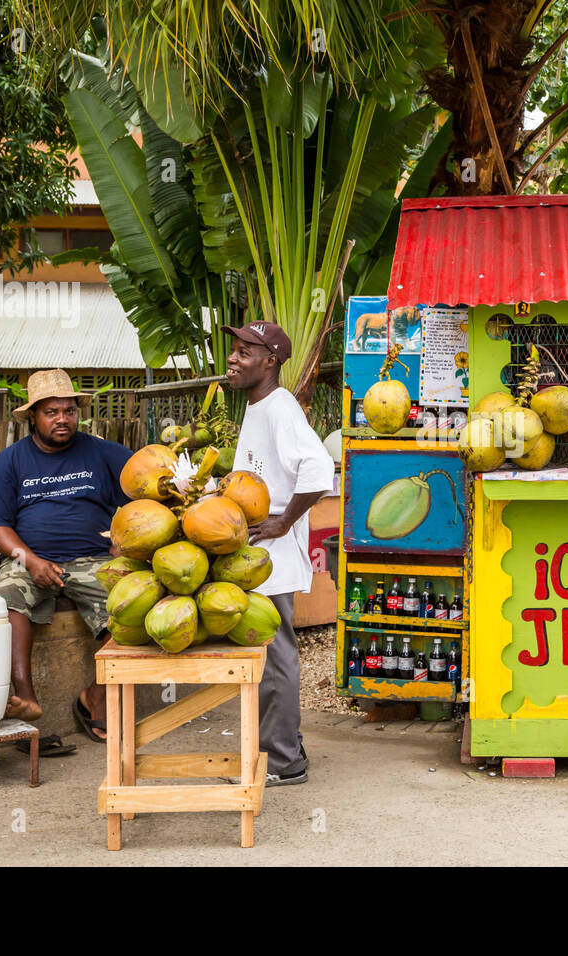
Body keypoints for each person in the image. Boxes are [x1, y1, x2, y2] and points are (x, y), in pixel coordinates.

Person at [0, 369, 132, 748]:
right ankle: (26, 698)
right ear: (33, 416)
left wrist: (124, 542)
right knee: (9, 594)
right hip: (26, 559)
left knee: (132, 600)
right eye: (51, 412)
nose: (63, 419)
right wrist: (31, 561)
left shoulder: (103, 453)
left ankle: (97, 693)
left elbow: (143, 494)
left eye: (69, 410)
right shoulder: (9, 463)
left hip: (93, 558)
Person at [224, 321, 334, 786]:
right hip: (259, 556)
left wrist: (283, 521)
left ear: (270, 361)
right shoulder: (259, 405)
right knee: (270, 657)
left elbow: (319, 468)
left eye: (245, 352)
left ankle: (285, 762)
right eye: (234, 350)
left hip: (271, 556)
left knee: (275, 661)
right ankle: (285, 748)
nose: (233, 358)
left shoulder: (280, 407)